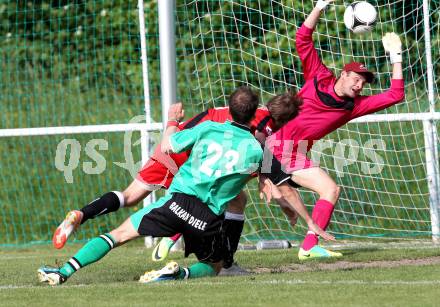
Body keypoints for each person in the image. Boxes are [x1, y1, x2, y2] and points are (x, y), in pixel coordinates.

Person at [38, 87, 333, 285]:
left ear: (230, 107)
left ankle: (63, 271)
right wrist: (304, 218)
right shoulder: (259, 151)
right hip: (206, 217)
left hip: (176, 199)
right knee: (216, 265)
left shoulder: (208, 127)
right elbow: (279, 186)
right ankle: (180, 273)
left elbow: (168, 145)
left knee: (118, 233)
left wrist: (171, 121)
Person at [260, 0, 405, 260]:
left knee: (330, 190)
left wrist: (396, 57)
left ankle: (309, 245)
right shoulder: (318, 76)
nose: (360, 85)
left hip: (295, 154)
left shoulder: (354, 106)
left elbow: (396, 94)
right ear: (343, 74)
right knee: (228, 187)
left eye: (364, 82)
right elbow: (303, 38)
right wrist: (319, 7)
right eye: (356, 78)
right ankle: (174, 230)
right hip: (273, 144)